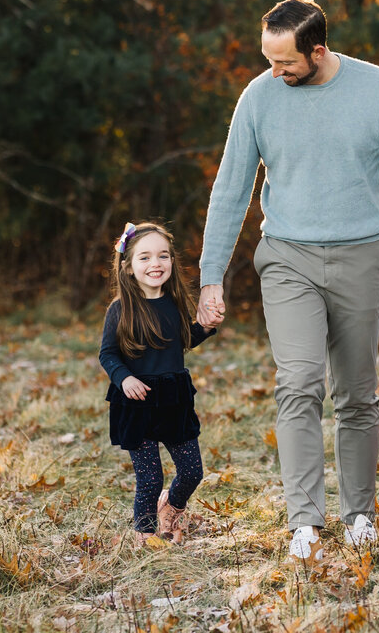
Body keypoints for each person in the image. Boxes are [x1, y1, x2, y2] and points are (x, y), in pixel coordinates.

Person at [195, 0, 379, 561]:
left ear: (318, 50)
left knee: (356, 392)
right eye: (268, 59)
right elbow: (231, 189)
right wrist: (212, 275)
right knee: (300, 381)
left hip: (362, 257)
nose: (274, 71)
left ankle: (359, 513)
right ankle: (304, 521)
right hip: (288, 258)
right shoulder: (259, 97)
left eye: (285, 62)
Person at [98, 221, 222, 544]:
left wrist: (205, 327)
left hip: (173, 401)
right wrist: (123, 378)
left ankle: (172, 507)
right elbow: (108, 354)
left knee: (193, 470)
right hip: (137, 404)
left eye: (163, 256)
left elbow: (183, 340)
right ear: (127, 267)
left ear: (171, 261)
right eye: (145, 257)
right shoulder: (120, 309)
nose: (155, 264)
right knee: (150, 479)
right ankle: (145, 536)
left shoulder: (174, 303)